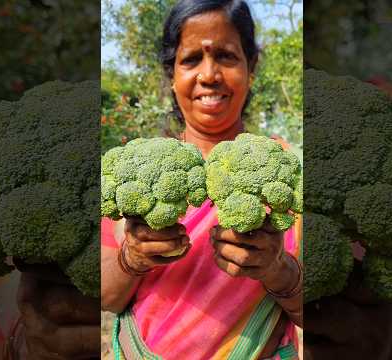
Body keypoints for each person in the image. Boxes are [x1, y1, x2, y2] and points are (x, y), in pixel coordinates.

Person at [101, 1, 303, 359]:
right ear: (171, 74)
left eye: (226, 56)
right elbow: (105, 297)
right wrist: (130, 259)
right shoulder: (135, 174)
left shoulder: (289, 171)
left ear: (251, 67)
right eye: (191, 59)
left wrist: (278, 270)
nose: (209, 75)